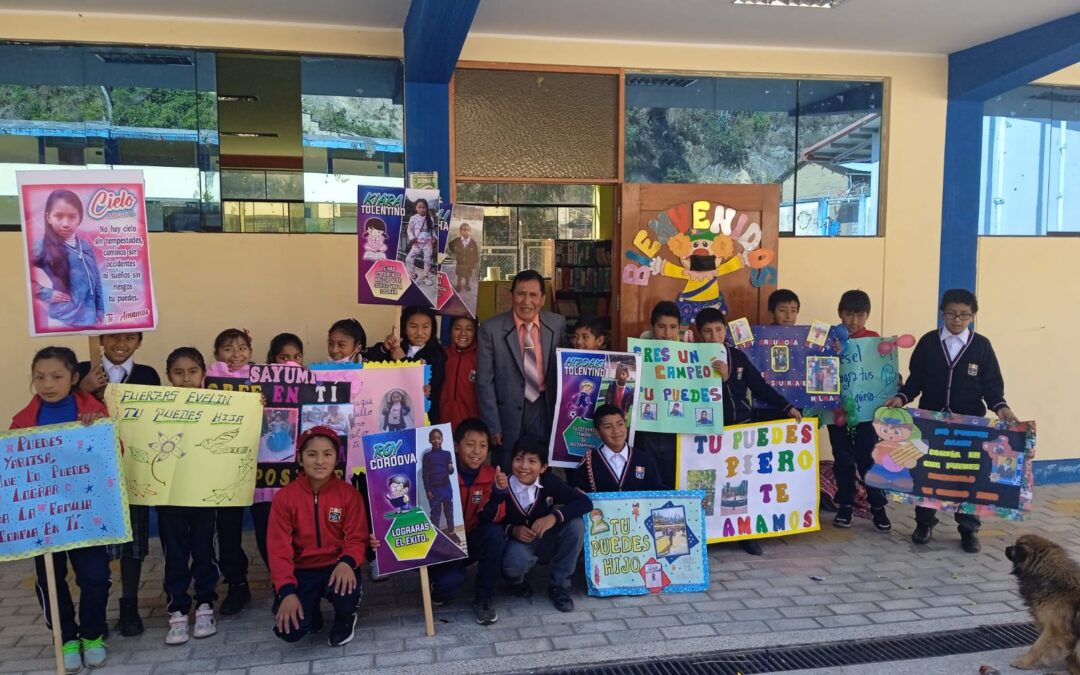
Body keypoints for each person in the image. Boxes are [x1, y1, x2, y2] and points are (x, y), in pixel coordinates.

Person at [885, 288, 1018, 553]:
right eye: (951, 314)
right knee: (928, 475)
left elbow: (992, 385)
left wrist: (1001, 407)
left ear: (973, 316)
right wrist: (902, 397)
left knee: (968, 478)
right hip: (931, 424)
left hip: (969, 426)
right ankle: (924, 524)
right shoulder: (928, 342)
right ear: (942, 314)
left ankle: (969, 530)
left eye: (964, 315)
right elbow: (916, 380)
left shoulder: (982, 346)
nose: (957, 320)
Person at [10, 347, 110, 672]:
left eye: (56, 376)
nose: (48, 384)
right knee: (50, 579)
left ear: (74, 378)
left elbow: (115, 456)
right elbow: (13, 470)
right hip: (45, 517)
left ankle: (92, 635)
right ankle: (66, 638)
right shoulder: (22, 422)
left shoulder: (94, 412)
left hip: (87, 513)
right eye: (40, 377)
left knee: (95, 577)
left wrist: (98, 433)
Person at [696, 307, 801, 556]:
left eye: (718, 330)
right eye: (707, 332)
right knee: (706, 480)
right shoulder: (690, 357)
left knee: (738, 481)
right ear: (699, 334)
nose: (714, 336)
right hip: (702, 432)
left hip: (737, 429)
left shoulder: (737, 357)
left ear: (725, 330)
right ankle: (707, 531)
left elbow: (759, 386)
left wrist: (787, 406)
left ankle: (744, 533)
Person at [75, 332, 160, 637]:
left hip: (132, 466)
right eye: (113, 336)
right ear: (101, 339)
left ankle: (129, 606)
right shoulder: (82, 371)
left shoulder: (147, 375)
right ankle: (97, 609)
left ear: (139, 342)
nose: (120, 343)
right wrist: (82, 389)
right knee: (97, 544)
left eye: (129, 338)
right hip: (92, 469)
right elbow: (64, 409)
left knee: (132, 541)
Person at [268, 426, 368, 647]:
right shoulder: (284, 498)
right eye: (312, 454)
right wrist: (286, 591)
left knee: (345, 589)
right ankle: (311, 613)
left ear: (337, 458)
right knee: (290, 631)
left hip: (336, 565)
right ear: (300, 459)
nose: (320, 461)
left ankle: (346, 616)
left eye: (327, 454)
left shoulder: (349, 495)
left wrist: (347, 562)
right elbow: (278, 550)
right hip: (302, 570)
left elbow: (357, 537)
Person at [158, 348, 219, 645]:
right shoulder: (158, 408)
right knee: (175, 553)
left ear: (203, 373)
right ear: (169, 376)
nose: (186, 378)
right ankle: (178, 609)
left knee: (204, 549)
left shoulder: (217, 404)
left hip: (204, 493)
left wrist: (254, 404)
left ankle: (205, 604)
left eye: (192, 372)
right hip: (169, 494)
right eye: (178, 373)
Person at [476, 270, 566, 468]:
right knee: (507, 467)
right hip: (506, 411)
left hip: (543, 407)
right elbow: (484, 382)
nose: (527, 301)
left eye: (533, 295)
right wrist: (493, 425)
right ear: (512, 296)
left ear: (542, 299)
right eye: (521, 294)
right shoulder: (490, 330)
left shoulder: (557, 324)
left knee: (540, 466)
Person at [427, 419, 507, 625]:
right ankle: (439, 582)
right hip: (442, 543)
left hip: (472, 539)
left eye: (483, 445)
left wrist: (498, 494)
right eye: (470, 444)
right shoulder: (439, 473)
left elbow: (490, 517)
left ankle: (484, 598)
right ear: (455, 446)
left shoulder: (491, 476)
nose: (476, 451)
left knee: (495, 534)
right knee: (448, 586)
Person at [501, 436, 592, 612]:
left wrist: (554, 517)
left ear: (543, 467)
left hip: (547, 539)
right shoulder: (503, 486)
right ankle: (516, 582)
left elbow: (585, 503)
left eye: (532, 461)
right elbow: (490, 520)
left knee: (576, 525)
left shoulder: (549, 481)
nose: (524, 466)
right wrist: (512, 530)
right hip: (519, 545)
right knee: (513, 564)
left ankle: (560, 585)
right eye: (518, 459)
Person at [829, 291, 892, 532]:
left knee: (868, 459)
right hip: (837, 412)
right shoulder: (830, 339)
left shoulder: (873, 340)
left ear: (867, 316)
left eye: (860, 315)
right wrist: (830, 352)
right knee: (842, 460)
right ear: (840, 314)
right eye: (849, 314)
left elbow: (883, 371)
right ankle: (845, 505)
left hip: (865, 413)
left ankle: (878, 507)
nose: (854, 321)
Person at [208, 328, 255, 615]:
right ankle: (237, 583)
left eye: (242, 348)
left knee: (269, 528)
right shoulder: (207, 381)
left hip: (262, 467)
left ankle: (283, 583)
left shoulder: (262, 379)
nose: (236, 354)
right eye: (228, 349)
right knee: (227, 531)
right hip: (224, 469)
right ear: (216, 354)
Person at [30, 189, 104, 328]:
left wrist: (100, 309)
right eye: (58, 216)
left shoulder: (84, 245)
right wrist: (45, 293)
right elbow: (21, 275)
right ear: (48, 217)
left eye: (72, 217)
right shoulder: (41, 246)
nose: (65, 223)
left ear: (79, 218)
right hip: (63, 320)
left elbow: (96, 281)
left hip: (90, 318)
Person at [368, 306, 447, 422]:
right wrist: (384, 348)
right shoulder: (396, 347)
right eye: (413, 326)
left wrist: (403, 360)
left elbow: (433, 386)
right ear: (404, 328)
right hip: (392, 416)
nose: (419, 332)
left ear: (433, 328)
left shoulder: (438, 354)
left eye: (425, 327)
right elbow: (368, 362)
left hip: (424, 418)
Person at [573, 404, 663, 492]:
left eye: (620, 424)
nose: (616, 431)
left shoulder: (643, 459)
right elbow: (578, 492)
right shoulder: (589, 462)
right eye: (608, 427)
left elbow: (657, 491)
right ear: (597, 432)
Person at [440, 316, 479, 431]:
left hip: (471, 428)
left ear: (475, 332)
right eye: (457, 328)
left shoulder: (481, 358)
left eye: (469, 329)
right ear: (450, 331)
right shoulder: (441, 355)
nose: (463, 333)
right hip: (441, 426)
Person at [421, 428, 458, 541]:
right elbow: (425, 475)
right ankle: (436, 537)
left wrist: (451, 468)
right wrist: (428, 491)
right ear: (430, 440)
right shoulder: (427, 456)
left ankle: (451, 532)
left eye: (438, 438)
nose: (436, 440)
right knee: (435, 514)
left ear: (442, 439)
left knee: (449, 512)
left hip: (446, 488)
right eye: (433, 438)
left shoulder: (447, 454)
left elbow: (451, 471)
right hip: (434, 490)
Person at [404, 197, 437, 286]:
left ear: (426, 208)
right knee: (409, 258)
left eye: (423, 207)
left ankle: (426, 277)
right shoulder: (413, 218)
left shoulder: (430, 218)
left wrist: (434, 238)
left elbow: (432, 230)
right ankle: (414, 275)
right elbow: (409, 230)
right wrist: (412, 238)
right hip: (417, 243)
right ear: (416, 208)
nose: (421, 209)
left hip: (428, 243)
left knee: (427, 260)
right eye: (419, 207)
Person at [448, 222, 480, 291]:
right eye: (464, 230)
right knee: (459, 275)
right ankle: (459, 285)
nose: (466, 232)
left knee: (467, 275)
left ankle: (467, 284)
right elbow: (450, 245)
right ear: (460, 231)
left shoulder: (473, 242)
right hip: (460, 262)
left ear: (470, 231)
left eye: (468, 230)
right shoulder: (457, 240)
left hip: (469, 263)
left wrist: (474, 262)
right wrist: (455, 251)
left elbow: (475, 253)